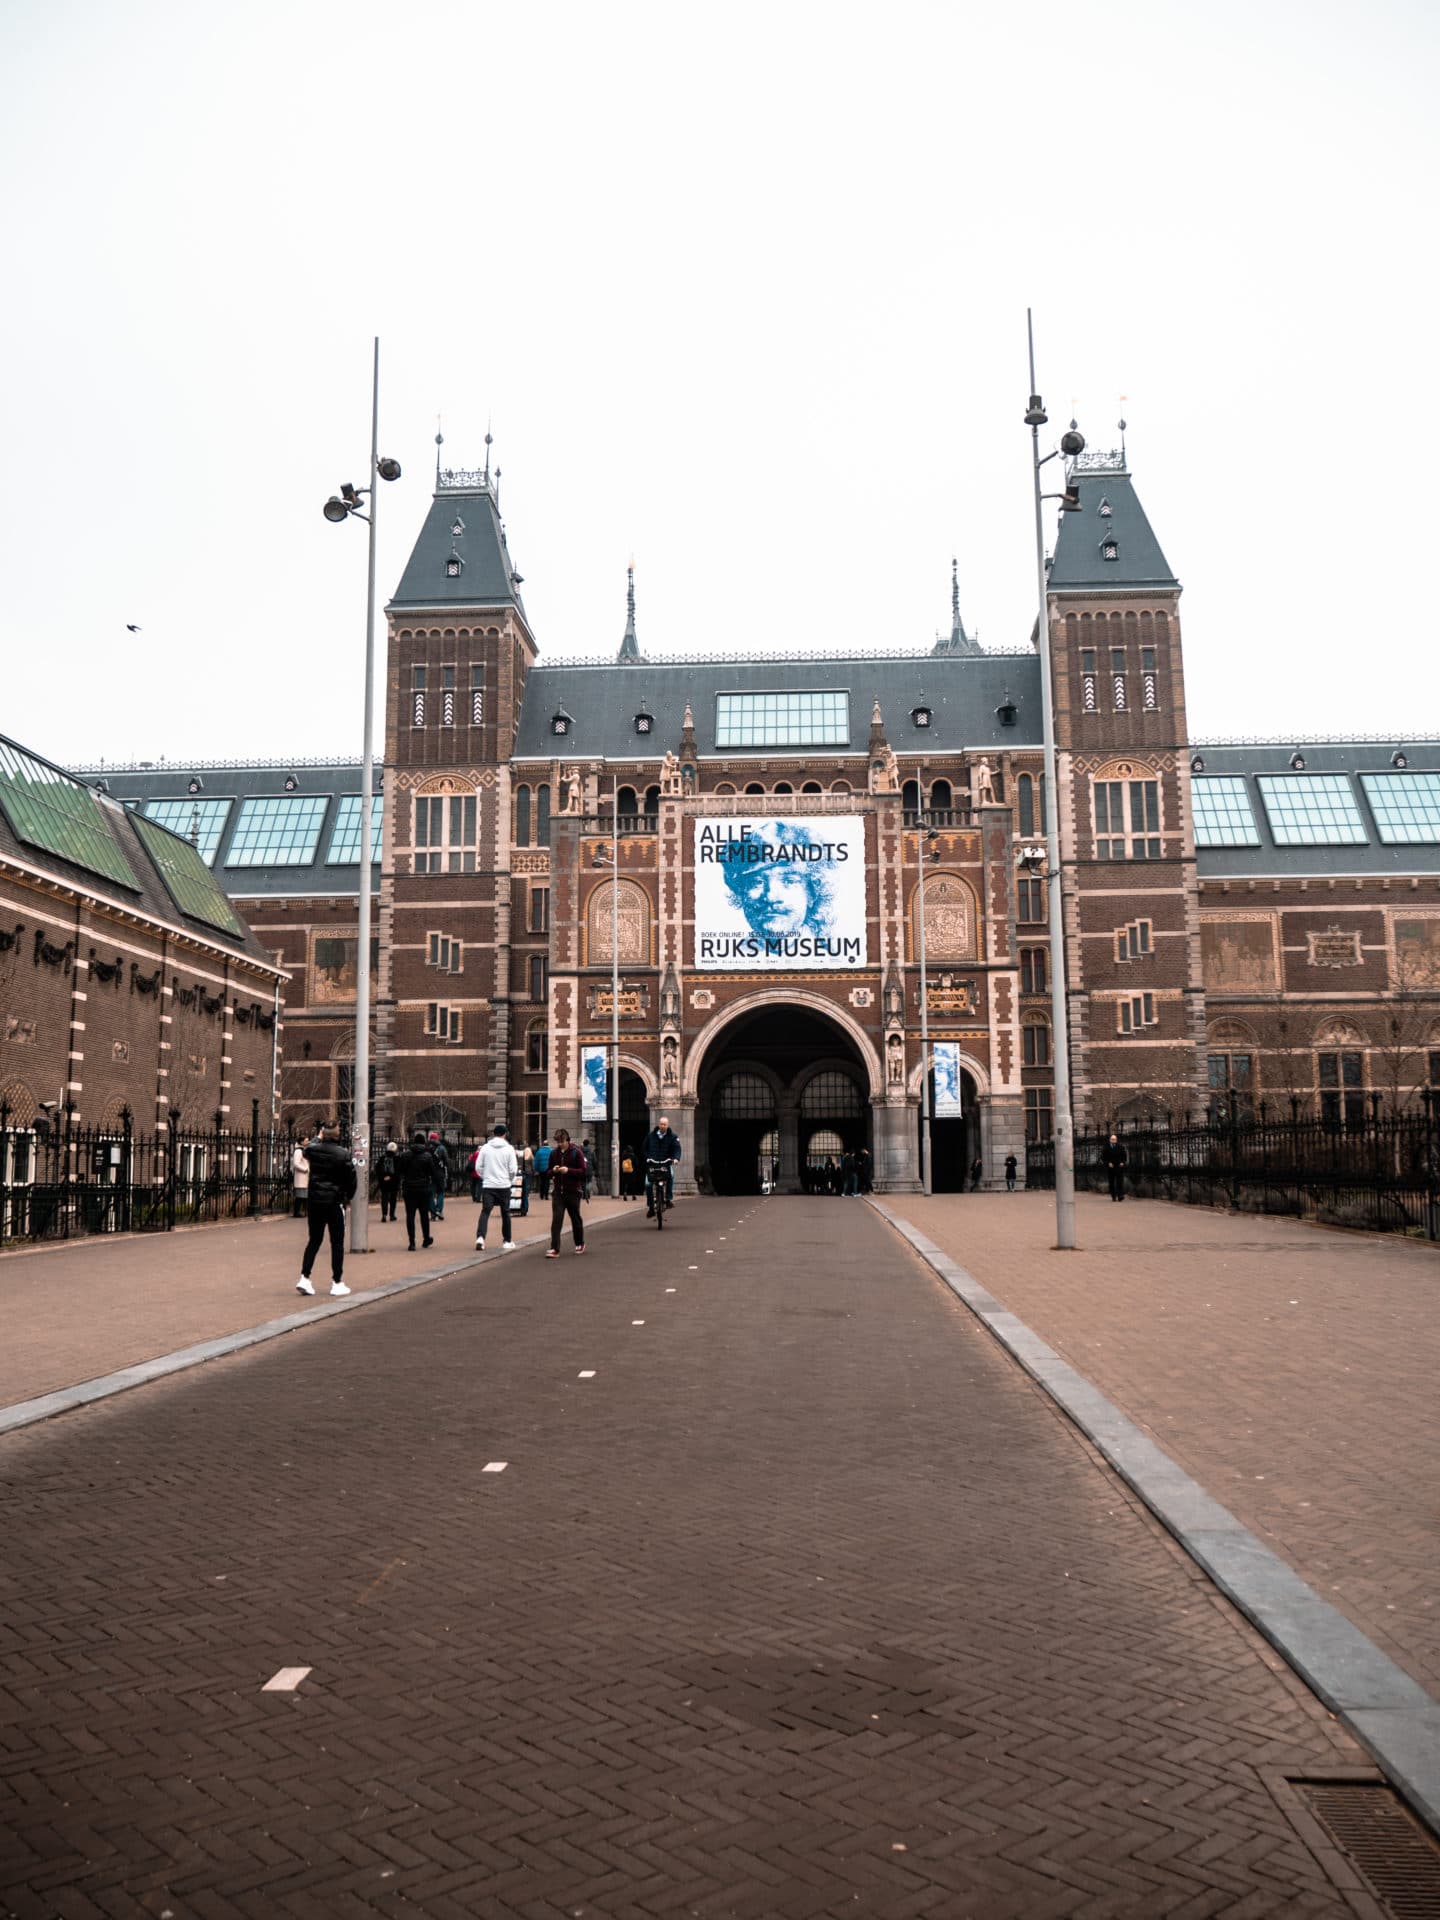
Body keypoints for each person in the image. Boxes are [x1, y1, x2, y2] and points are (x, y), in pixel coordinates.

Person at [295, 1121, 356, 1297]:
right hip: (334, 1202)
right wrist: (347, 1198)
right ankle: (337, 1281)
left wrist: (319, 1136)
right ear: (338, 1135)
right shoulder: (343, 1154)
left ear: (323, 1134)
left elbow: (307, 1148)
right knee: (337, 1242)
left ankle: (304, 1277)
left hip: (315, 1201)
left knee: (314, 1240)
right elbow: (351, 1180)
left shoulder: (313, 1150)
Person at [473, 1121, 519, 1253]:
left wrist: (485, 1177)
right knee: (505, 1213)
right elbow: (513, 1169)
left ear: (493, 1134)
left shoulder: (485, 1148)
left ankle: (480, 1238)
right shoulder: (509, 1149)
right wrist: (509, 1180)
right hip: (504, 1185)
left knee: (485, 1211)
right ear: (505, 1134)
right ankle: (507, 1240)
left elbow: (478, 1167)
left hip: (489, 1185)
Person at [547, 1127, 587, 1257]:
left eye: (562, 1142)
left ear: (568, 1140)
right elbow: (547, 1172)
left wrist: (568, 1170)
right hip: (558, 1192)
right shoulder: (554, 1154)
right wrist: (553, 1170)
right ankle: (555, 1248)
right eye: (558, 1142)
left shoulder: (577, 1152)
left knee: (575, 1219)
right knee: (556, 1220)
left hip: (573, 1191)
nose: (560, 1144)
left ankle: (579, 1243)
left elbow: (583, 1171)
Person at [397, 1130, 440, 1250]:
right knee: (424, 1215)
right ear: (423, 1143)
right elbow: (433, 1172)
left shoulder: (405, 1155)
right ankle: (426, 1239)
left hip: (409, 1189)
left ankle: (412, 1242)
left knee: (410, 1215)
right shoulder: (427, 1156)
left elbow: (399, 1171)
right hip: (423, 1189)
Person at [643, 1114, 683, 1216]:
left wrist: (676, 1159)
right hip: (653, 1164)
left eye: (665, 1124)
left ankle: (668, 1199)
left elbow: (677, 1149)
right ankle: (651, 1207)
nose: (663, 1126)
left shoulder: (673, 1137)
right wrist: (647, 1157)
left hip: (666, 1163)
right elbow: (644, 1148)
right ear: (658, 1124)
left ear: (668, 1125)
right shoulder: (651, 1136)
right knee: (648, 1184)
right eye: (661, 1124)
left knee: (671, 1176)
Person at [376, 1139, 400, 1222]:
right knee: (393, 1198)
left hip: (384, 1180)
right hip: (394, 1181)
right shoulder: (397, 1158)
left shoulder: (382, 1158)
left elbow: (377, 1169)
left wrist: (382, 1177)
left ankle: (384, 1214)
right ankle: (392, 1215)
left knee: (384, 1198)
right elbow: (399, 1171)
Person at [428, 1132, 449, 1219]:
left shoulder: (427, 1148)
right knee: (440, 1192)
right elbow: (446, 1161)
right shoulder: (441, 1148)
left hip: (430, 1173)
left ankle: (433, 1213)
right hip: (440, 1173)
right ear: (437, 1139)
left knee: (431, 1194)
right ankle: (439, 1210)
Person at [1104, 1132, 1128, 1202]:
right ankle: (1113, 1196)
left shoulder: (1120, 1147)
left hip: (1119, 1167)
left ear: (1116, 1140)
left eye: (1114, 1139)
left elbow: (1124, 1156)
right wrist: (1108, 1163)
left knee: (1120, 1182)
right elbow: (1103, 1157)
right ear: (1110, 1140)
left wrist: (1122, 1162)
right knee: (1111, 1182)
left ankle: (1120, 1195)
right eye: (1112, 1139)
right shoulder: (1106, 1147)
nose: (1113, 1140)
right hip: (1110, 1167)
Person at [290, 1138, 310, 1219]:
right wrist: (305, 1169)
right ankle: (296, 1212)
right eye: (306, 1140)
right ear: (301, 1142)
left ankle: (304, 1211)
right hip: (301, 1177)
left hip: (305, 1177)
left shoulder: (303, 1150)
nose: (308, 1142)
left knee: (304, 1197)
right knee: (300, 1197)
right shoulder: (298, 1151)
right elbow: (296, 1163)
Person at [517, 1139, 533, 1217]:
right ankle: (525, 1208)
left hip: (521, 1174)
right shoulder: (531, 1157)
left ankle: (520, 1207)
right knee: (526, 1192)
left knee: (520, 1190)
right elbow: (533, 1166)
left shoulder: (521, 1156)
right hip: (528, 1174)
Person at [532, 1138, 552, 1202]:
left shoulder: (539, 1152)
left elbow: (536, 1161)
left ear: (543, 1145)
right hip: (548, 1169)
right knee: (547, 1182)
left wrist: (536, 1169)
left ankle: (541, 1195)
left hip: (541, 1169)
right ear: (548, 1144)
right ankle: (546, 1196)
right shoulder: (551, 1151)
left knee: (542, 1182)